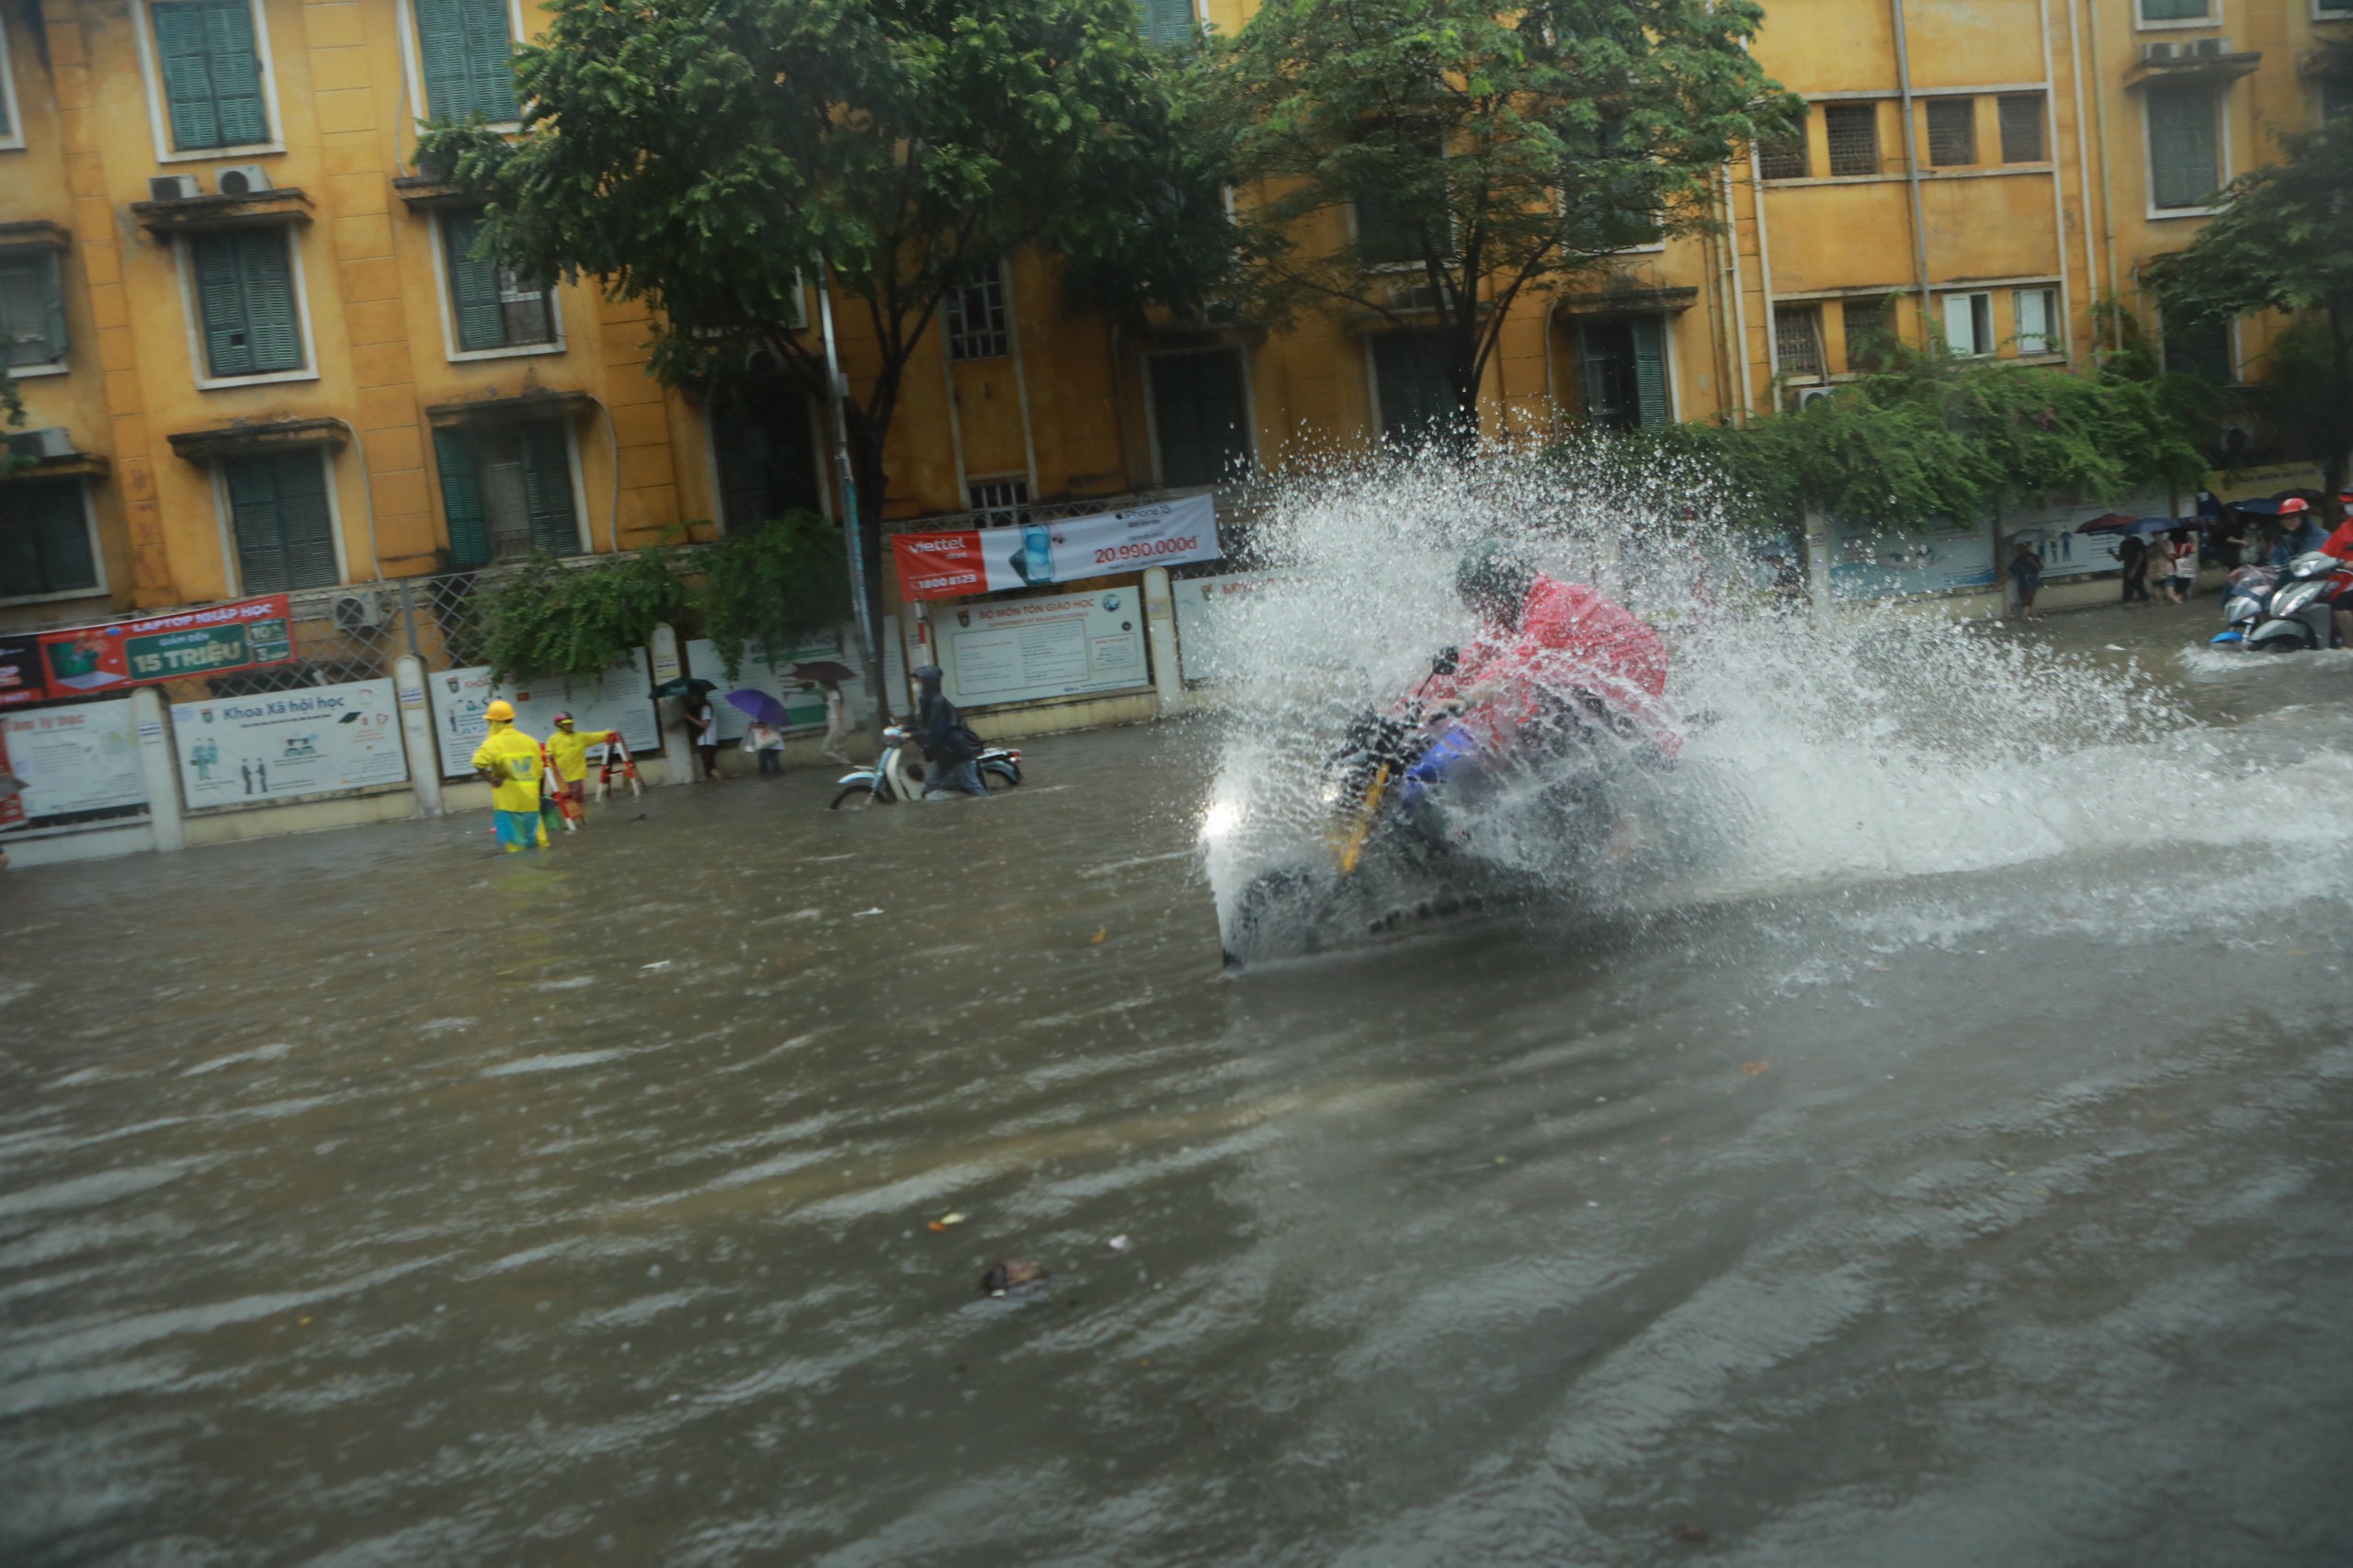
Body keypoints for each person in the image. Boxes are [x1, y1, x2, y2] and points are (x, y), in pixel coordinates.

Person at [1428, 538, 1679, 759]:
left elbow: (1517, 664)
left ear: (1505, 591)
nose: (1478, 611)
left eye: (1481, 601)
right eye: (1471, 603)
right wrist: (1408, 707)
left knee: (1548, 712)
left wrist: (1465, 699)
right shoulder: (1510, 615)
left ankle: (1616, 800)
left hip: (1631, 674)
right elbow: (1474, 660)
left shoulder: (1553, 607)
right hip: (1589, 680)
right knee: (1534, 715)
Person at [472, 699, 550, 853]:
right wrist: (539, 797)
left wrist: (491, 779)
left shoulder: (493, 743)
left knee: (516, 849)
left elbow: (478, 763)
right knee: (539, 843)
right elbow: (540, 773)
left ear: (493, 722)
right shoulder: (531, 742)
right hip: (531, 802)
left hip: (509, 803)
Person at [912, 665, 988, 798]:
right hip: (945, 752)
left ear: (928, 682)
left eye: (918, 681)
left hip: (956, 750)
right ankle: (956, 805)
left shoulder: (938, 702)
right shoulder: (927, 701)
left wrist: (912, 736)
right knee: (930, 783)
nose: (915, 684)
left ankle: (987, 806)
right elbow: (923, 724)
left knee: (971, 784)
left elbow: (936, 731)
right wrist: (904, 729)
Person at [542, 711, 616, 824]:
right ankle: (563, 823)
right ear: (559, 725)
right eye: (566, 723)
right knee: (560, 803)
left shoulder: (580, 737)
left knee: (578, 801)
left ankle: (580, 821)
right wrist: (549, 756)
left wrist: (608, 733)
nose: (570, 725)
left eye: (571, 723)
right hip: (560, 778)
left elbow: (596, 736)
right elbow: (548, 754)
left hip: (577, 775)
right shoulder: (553, 739)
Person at [681, 691, 721, 780]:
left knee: (710, 768)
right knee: (708, 770)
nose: (694, 698)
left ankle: (725, 785)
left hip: (707, 742)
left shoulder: (706, 708)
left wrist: (690, 718)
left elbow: (704, 725)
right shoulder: (704, 707)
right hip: (705, 741)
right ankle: (715, 789)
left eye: (695, 695)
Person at [2010, 538, 2044, 620]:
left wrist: (2032, 562)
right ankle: (2032, 616)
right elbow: (2012, 571)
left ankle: (2026, 617)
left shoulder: (2034, 557)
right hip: (2024, 584)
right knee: (2027, 602)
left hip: (2031, 583)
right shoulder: (2018, 560)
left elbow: (2039, 568)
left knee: (2027, 602)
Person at [2164, 527, 2198, 603]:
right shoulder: (2184, 546)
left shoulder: (2169, 546)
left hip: (2172, 570)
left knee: (2174, 591)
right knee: (2180, 592)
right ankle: (2180, 601)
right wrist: (2192, 541)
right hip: (2183, 571)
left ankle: (2178, 600)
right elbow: (2194, 550)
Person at [2118, 530, 2150, 604]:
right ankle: (2128, 602)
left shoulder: (2136, 541)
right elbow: (2120, 558)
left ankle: (2145, 601)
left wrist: (2134, 570)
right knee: (2127, 588)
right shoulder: (2123, 544)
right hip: (2127, 568)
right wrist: (2112, 553)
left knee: (2139, 587)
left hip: (2137, 569)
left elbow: (2140, 555)